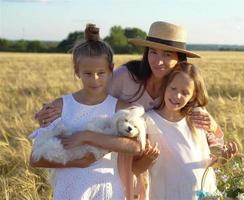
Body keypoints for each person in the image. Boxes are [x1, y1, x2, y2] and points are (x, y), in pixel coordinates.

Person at [34, 21, 227, 199]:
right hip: (116, 165)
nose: (158, 61)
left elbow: (210, 139)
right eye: (153, 52)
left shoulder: (180, 90)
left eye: (167, 55)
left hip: (160, 171)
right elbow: (92, 95)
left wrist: (213, 125)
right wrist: (56, 109)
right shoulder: (126, 77)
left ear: (180, 59)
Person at [29, 24, 141, 200]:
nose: (95, 79)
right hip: (69, 190)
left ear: (111, 69)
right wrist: (79, 162)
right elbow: (35, 159)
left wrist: (88, 137)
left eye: (101, 73)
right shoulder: (61, 106)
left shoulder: (120, 107)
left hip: (106, 190)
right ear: (77, 71)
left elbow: (136, 146)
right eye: (87, 73)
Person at [132, 62, 238, 199]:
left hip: (206, 193)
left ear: (193, 96)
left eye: (185, 92)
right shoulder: (148, 121)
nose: (177, 96)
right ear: (165, 87)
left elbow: (210, 163)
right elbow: (135, 169)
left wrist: (224, 158)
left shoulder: (197, 117)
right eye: (173, 88)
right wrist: (147, 159)